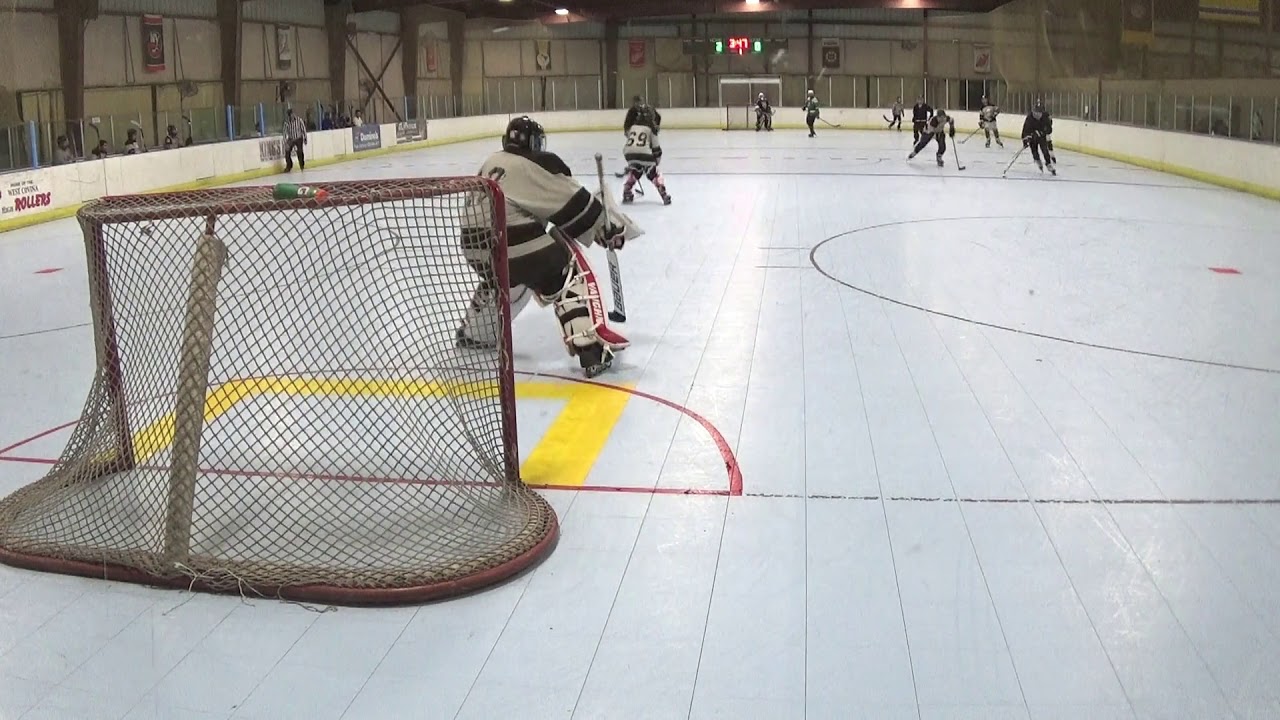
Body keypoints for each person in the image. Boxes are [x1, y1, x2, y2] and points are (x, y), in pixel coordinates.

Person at [457, 116, 630, 378]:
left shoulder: (492, 160)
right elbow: (572, 203)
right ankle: (591, 351)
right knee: (564, 271)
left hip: (473, 246)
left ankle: (475, 333)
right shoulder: (534, 164)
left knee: (507, 276)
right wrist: (605, 229)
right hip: (512, 242)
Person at [622, 103, 671, 205]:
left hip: (628, 154)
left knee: (636, 170)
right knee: (654, 174)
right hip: (645, 154)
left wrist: (632, 163)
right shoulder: (651, 129)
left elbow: (631, 140)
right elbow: (657, 150)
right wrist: (655, 163)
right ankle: (662, 191)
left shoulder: (632, 127)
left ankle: (627, 190)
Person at [1021, 100, 1056, 175]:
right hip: (1032, 136)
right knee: (1034, 150)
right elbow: (1025, 130)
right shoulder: (1029, 118)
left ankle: (1048, 163)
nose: (1036, 115)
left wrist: (1042, 132)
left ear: (1041, 113)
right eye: (1035, 113)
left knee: (1045, 150)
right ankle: (1037, 161)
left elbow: (1049, 129)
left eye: (1038, 113)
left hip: (1041, 136)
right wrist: (1025, 140)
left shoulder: (1046, 118)